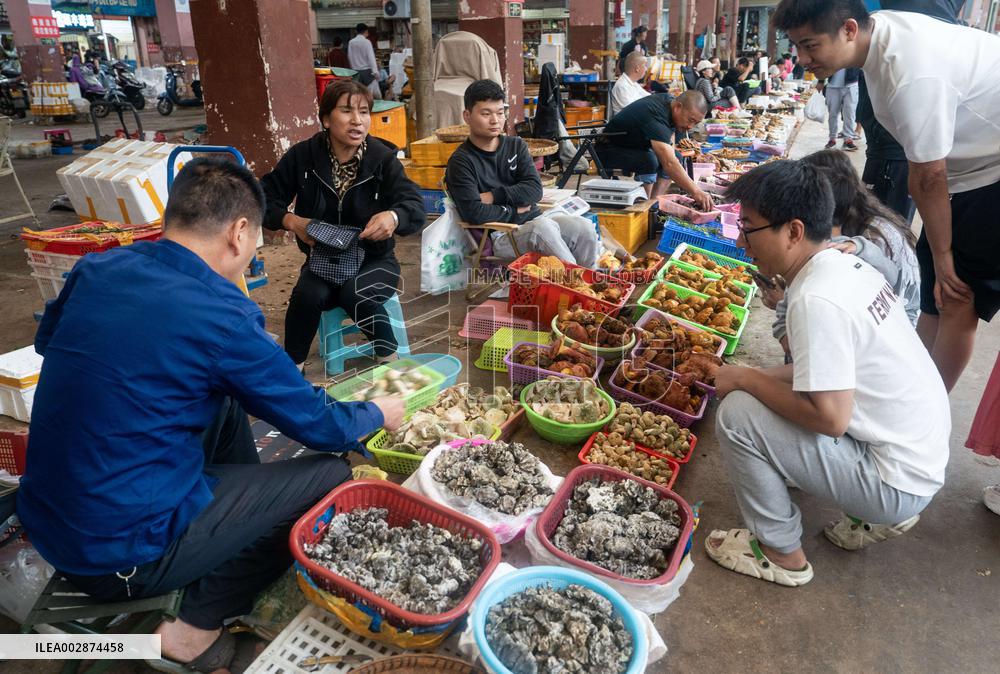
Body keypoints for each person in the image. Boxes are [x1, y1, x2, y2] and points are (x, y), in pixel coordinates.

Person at [16, 158, 407, 671]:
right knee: (330, 472)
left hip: (48, 519)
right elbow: (321, 424)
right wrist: (378, 411)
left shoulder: (99, 268)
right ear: (239, 231)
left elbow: (52, 343)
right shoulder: (220, 313)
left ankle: (230, 534)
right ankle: (194, 628)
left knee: (221, 400)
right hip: (120, 554)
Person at [706, 160, 950, 587]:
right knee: (761, 387)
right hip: (917, 457)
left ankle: (783, 554)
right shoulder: (840, 265)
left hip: (896, 482)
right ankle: (847, 503)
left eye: (749, 227)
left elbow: (830, 418)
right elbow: (817, 372)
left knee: (739, 413)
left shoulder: (816, 299)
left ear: (794, 231)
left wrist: (744, 380)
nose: (741, 240)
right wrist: (742, 372)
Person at [773, 1, 1000, 393]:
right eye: (796, 46)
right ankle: (911, 395)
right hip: (964, 175)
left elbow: (929, 175)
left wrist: (944, 256)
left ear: (848, 29)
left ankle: (925, 420)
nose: (803, 58)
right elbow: (924, 171)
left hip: (991, 177)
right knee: (937, 292)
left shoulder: (911, 70)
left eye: (810, 45)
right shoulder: (879, 37)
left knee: (957, 296)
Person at [261, 80, 424, 371]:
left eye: (364, 112)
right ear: (326, 118)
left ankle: (390, 362)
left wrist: (393, 216)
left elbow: (413, 204)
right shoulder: (303, 157)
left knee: (355, 292)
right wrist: (291, 221)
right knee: (307, 295)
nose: (357, 120)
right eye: (347, 111)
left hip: (376, 259)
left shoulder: (383, 159)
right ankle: (291, 370)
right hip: (324, 260)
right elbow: (263, 197)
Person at [766, 149, 922, 358]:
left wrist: (785, 305)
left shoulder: (866, 243)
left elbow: (834, 329)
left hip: (892, 341)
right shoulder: (856, 224)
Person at [445, 80, 600, 268]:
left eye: (500, 113)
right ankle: (577, 285)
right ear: (467, 116)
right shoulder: (461, 162)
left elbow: (534, 191)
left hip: (536, 219)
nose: (495, 120)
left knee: (583, 228)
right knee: (542, 229)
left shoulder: (516, 146)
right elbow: (474, 213)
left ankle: (588, 284)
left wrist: (495, 195)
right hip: (499, 235)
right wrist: (514, 210)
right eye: (486, 114)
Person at [594, 90, 716, 203]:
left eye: (696, 123)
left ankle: (654, 203)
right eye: (690, 120)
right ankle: (644, 206)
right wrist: (696, 192)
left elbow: (671, 150)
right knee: (649, 161)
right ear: (678, 107)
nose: (691, 126)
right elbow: (669, 164)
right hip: (606, 150)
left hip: (632, 147)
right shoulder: (656, 115)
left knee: (677, 157)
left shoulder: (671, 104)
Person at [820, 68, 860, 151]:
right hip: (832, 85)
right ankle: (832, 139)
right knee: (832, 114)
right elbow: (823, 63)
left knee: (850, 113)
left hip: (852, 84)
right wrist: (820, 81)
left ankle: (848, 140)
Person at [611, 51, 651, 117]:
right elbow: (633, 110)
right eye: (645, 65)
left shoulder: (634, 84)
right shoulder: (622, 86)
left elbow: (650, 97)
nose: (646, 69)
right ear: (637, 68)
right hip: (627, 125)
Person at [348, 22, 381, 100]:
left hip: (355, 73)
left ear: (356, 31)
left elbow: (349, 56)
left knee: (358, 96)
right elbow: (371, 58)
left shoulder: (351, 42)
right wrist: (376, 72)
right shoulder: (367, 42)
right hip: (367, 73)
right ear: (366, 31)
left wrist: (353, 69)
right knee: (372, 97)